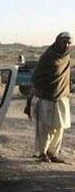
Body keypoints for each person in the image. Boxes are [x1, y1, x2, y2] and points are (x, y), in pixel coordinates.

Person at [25, 32, 72, 163]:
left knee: (59, 128)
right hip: (46, 97)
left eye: (69, 42)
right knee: (45, 128)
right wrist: (30, 99)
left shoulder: (66, 57)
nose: (67, 45)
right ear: (58, 42)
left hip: (62, 97)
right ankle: (42, 153)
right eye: (64, 42)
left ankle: (53, 153)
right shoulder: (47, 57)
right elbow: (36, 78)